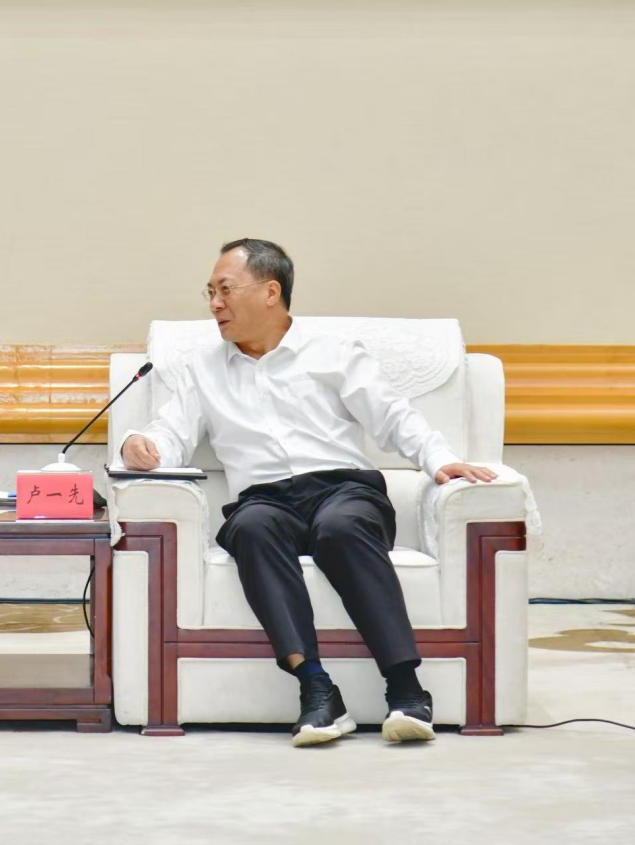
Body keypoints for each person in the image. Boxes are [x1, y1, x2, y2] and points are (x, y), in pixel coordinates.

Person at [120, 238, 496, 747]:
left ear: (270, 291)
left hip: (343, 490)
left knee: (341, 528)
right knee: (250, 529)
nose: (215, 304)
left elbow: (392, 416)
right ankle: (317, 689)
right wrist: (139, 444)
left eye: (225, 290)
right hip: (265, 501)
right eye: (209, 293)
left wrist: (440, 460)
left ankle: (407, 689)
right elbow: (171, 433)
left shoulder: (333, 353)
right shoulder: (203, 369)